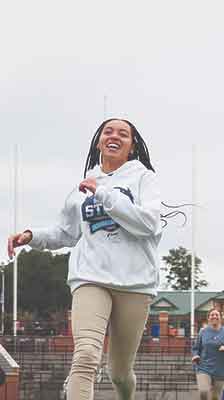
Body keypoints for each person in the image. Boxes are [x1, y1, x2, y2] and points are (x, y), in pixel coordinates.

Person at [7, 118, 161, 400]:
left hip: (135, 284)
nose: (114, 136)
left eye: (123, 133)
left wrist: (103, 194)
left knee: (119, 373)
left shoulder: (143, 178)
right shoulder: (83, 187)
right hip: (90, 278)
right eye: (108, 132)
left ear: (132, 144)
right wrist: (31, 236)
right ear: (99, 141)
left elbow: (149, 223)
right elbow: (66, 232)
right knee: (86, 354)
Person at [192, 309, 224, 400]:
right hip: (204, 368)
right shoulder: (203, 332)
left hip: (221, 370)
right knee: (204, 392)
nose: (214, 316)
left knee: (216, 397)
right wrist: (195, 355)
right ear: (208, 318)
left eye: (216, 315)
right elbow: (196, 348)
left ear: (220, 318)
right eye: (212, 315)